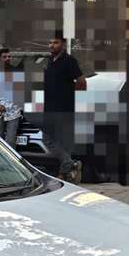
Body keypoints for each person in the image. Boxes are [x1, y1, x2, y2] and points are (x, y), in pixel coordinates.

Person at [42, 34, 87, 181]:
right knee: (50, 139)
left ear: (63, 44)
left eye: (55, 42)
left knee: (57, 140)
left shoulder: (69, 61)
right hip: (49, 107)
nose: (51, 45)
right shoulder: (49, 61)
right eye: (50, 42)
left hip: (64, 108)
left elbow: (81, 82)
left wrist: (69, 97)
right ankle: (68, 166)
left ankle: (64, 172)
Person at [0, 48, 21, 145]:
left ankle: (11, 160)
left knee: (10, 141)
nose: (7, 58)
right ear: (0, 60)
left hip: (14, 113)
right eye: (4, 57)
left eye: (9, 56)